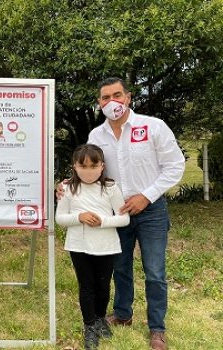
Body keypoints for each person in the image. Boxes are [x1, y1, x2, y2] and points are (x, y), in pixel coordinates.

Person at [89, 77, 185, 350]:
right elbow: (91, 171)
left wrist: (147, 196)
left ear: (128, 97)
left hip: (151, 210)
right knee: (119, 267)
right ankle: (122, 314)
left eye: (117, 95)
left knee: (154, 271)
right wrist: (68, 188)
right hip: (118, 212)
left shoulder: (153, 126)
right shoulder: (96, 136)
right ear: (99, 103)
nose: (112, 102)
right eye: (105, 98)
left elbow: (175, 166)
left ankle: (157, 329)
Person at [56, 144, 130, 350]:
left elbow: (124, 219)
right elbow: (59, 218)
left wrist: (103, 222)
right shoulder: (68, 188)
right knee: (86, 286)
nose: (88, 171)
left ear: (102, 166)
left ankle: (99, 318)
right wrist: (79, 217)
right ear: (74, 167)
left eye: (93, 166)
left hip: (106, 245)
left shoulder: (110, 188)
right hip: (78, 246)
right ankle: (89, 326)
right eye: (83, 166)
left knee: (103, 285)